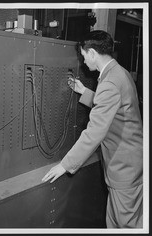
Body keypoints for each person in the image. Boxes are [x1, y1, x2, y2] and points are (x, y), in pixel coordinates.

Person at [42, 30, 143, 228]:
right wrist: (84, 91)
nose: (83, 60)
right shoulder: (118, 73)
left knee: (127, 225)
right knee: (115, 222)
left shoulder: (110, 81)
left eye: (83, 54)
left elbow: (94, 131)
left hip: (125, 168)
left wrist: (65, 164)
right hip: (130, 162)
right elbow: (115, 108)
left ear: (93, 53)